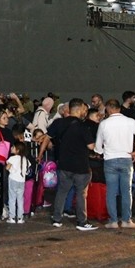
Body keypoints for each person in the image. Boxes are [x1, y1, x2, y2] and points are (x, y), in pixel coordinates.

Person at [94, 98, 135, 229]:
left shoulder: (104, 124)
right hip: (126, 159)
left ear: (108, 109)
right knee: (126, 191)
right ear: (119, 108)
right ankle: (126, 220)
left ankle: (113, 221)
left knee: (111, 192)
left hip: (110, 160)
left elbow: (98, 147)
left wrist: (101, 152)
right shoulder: (130, 121)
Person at [47, 98, 99, 231]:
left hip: (64, 164)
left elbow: (48, 136)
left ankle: (57, 219)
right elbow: (91, 146)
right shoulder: (82, 126)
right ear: (79, 109)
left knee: (62, 192)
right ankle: (82, 222)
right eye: (84, 109)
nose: (85, 112)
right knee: (81, 194)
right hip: (80, 166)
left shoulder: (59, 123)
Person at [5, 141, 30, 224]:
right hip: (22, 181)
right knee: (20, 199)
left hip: (13, 179)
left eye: (13, 147)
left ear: (17, 150)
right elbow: (28, 169)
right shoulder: (25, 159)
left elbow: (7, 168)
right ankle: (20, 218)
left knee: (12, 199)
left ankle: (12, 217)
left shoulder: (12, 158)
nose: (11, 148)